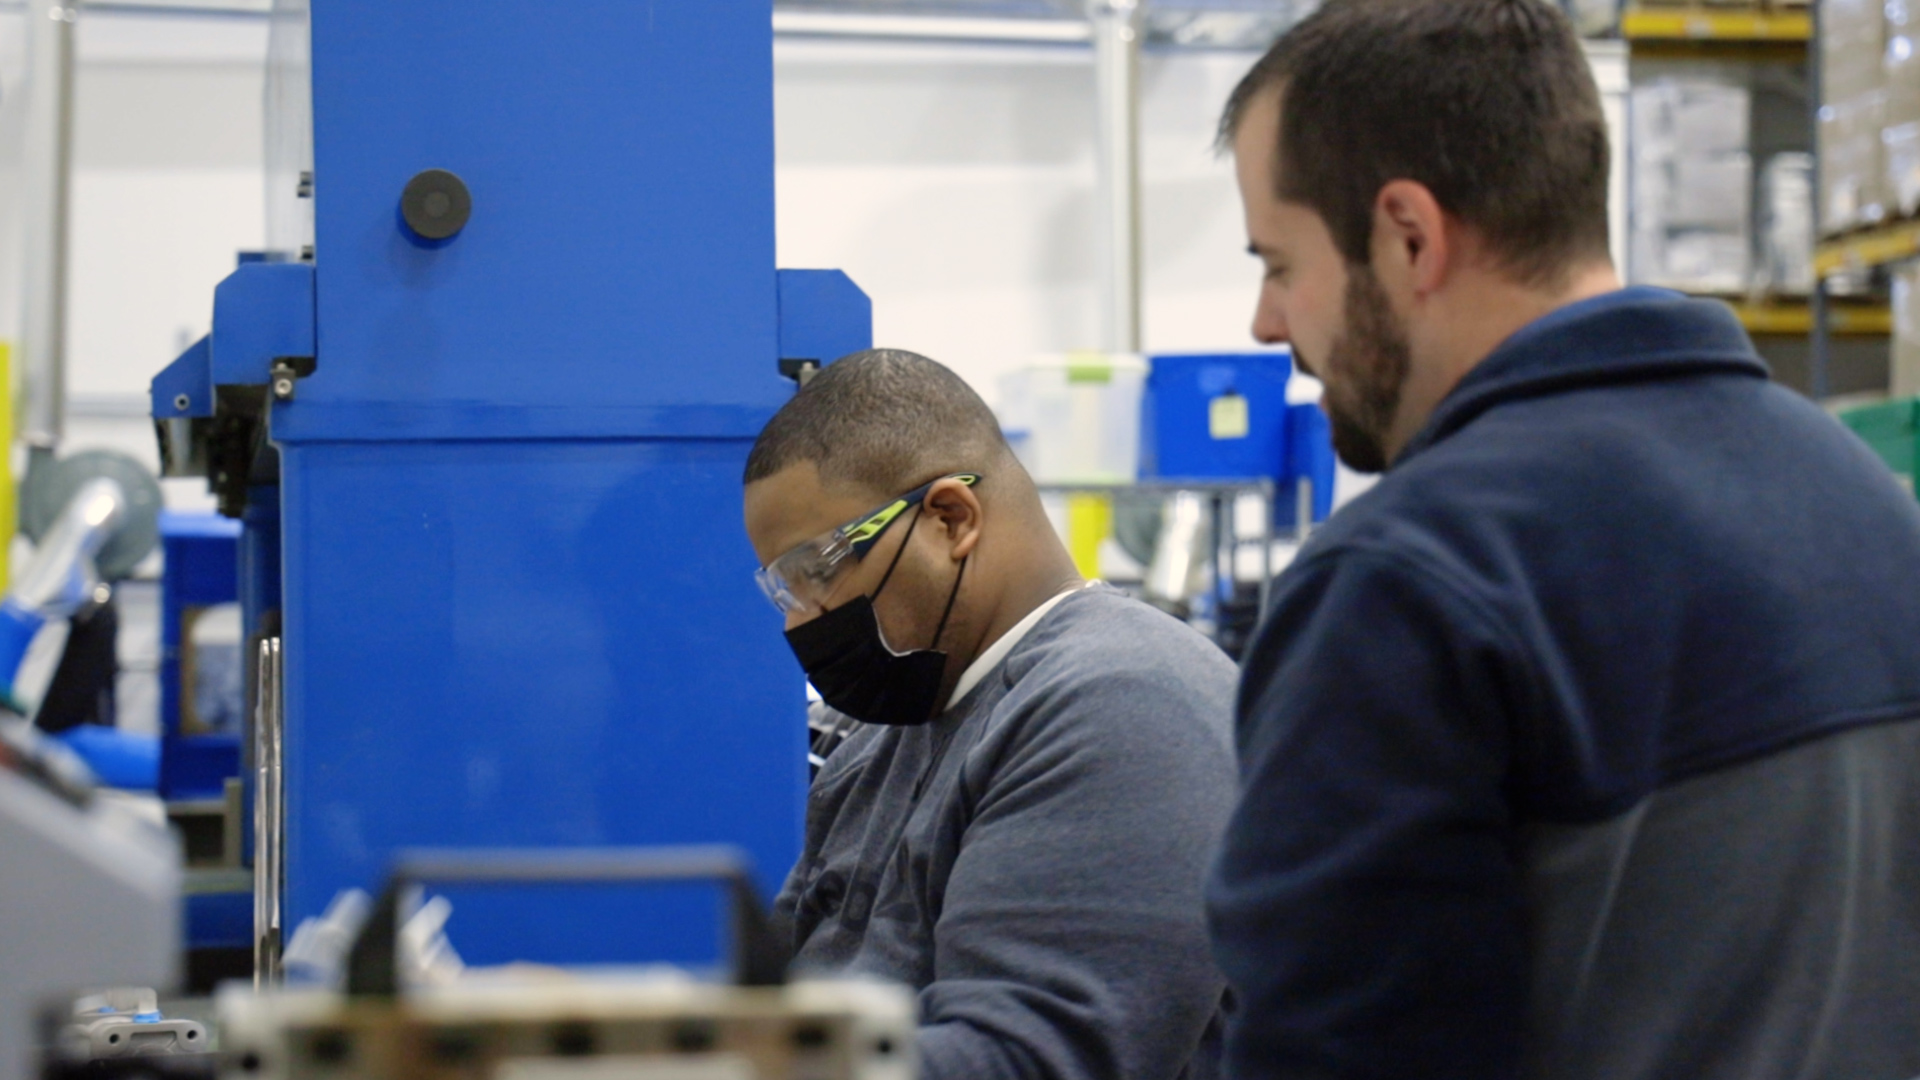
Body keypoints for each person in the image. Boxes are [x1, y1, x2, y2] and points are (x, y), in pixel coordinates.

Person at [1204, 2, 1920, 1078]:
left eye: (1278, 261)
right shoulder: (1866, 502)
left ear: (1409, 235)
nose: (1267, 322)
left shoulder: (1405, 582)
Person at [743, 349, 1237, 1080]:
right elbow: (784, 1014)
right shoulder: (881, 741)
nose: (800, 622)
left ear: (950, 518)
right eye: (784, 590)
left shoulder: (1124, 704)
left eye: (818, 570)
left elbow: (1030, 1061)